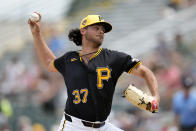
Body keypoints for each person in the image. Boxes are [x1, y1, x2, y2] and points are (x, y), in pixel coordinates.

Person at [28, 13, 160, 131]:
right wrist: (37, 35)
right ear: (83, 31)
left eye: (103, 29)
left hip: (103, 126)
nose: (101, 31)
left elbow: (145, 72)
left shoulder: (114, 58)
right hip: (74, 126)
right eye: (96, 28)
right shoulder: (70, 59)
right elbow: (49, 62)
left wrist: (155, 96)